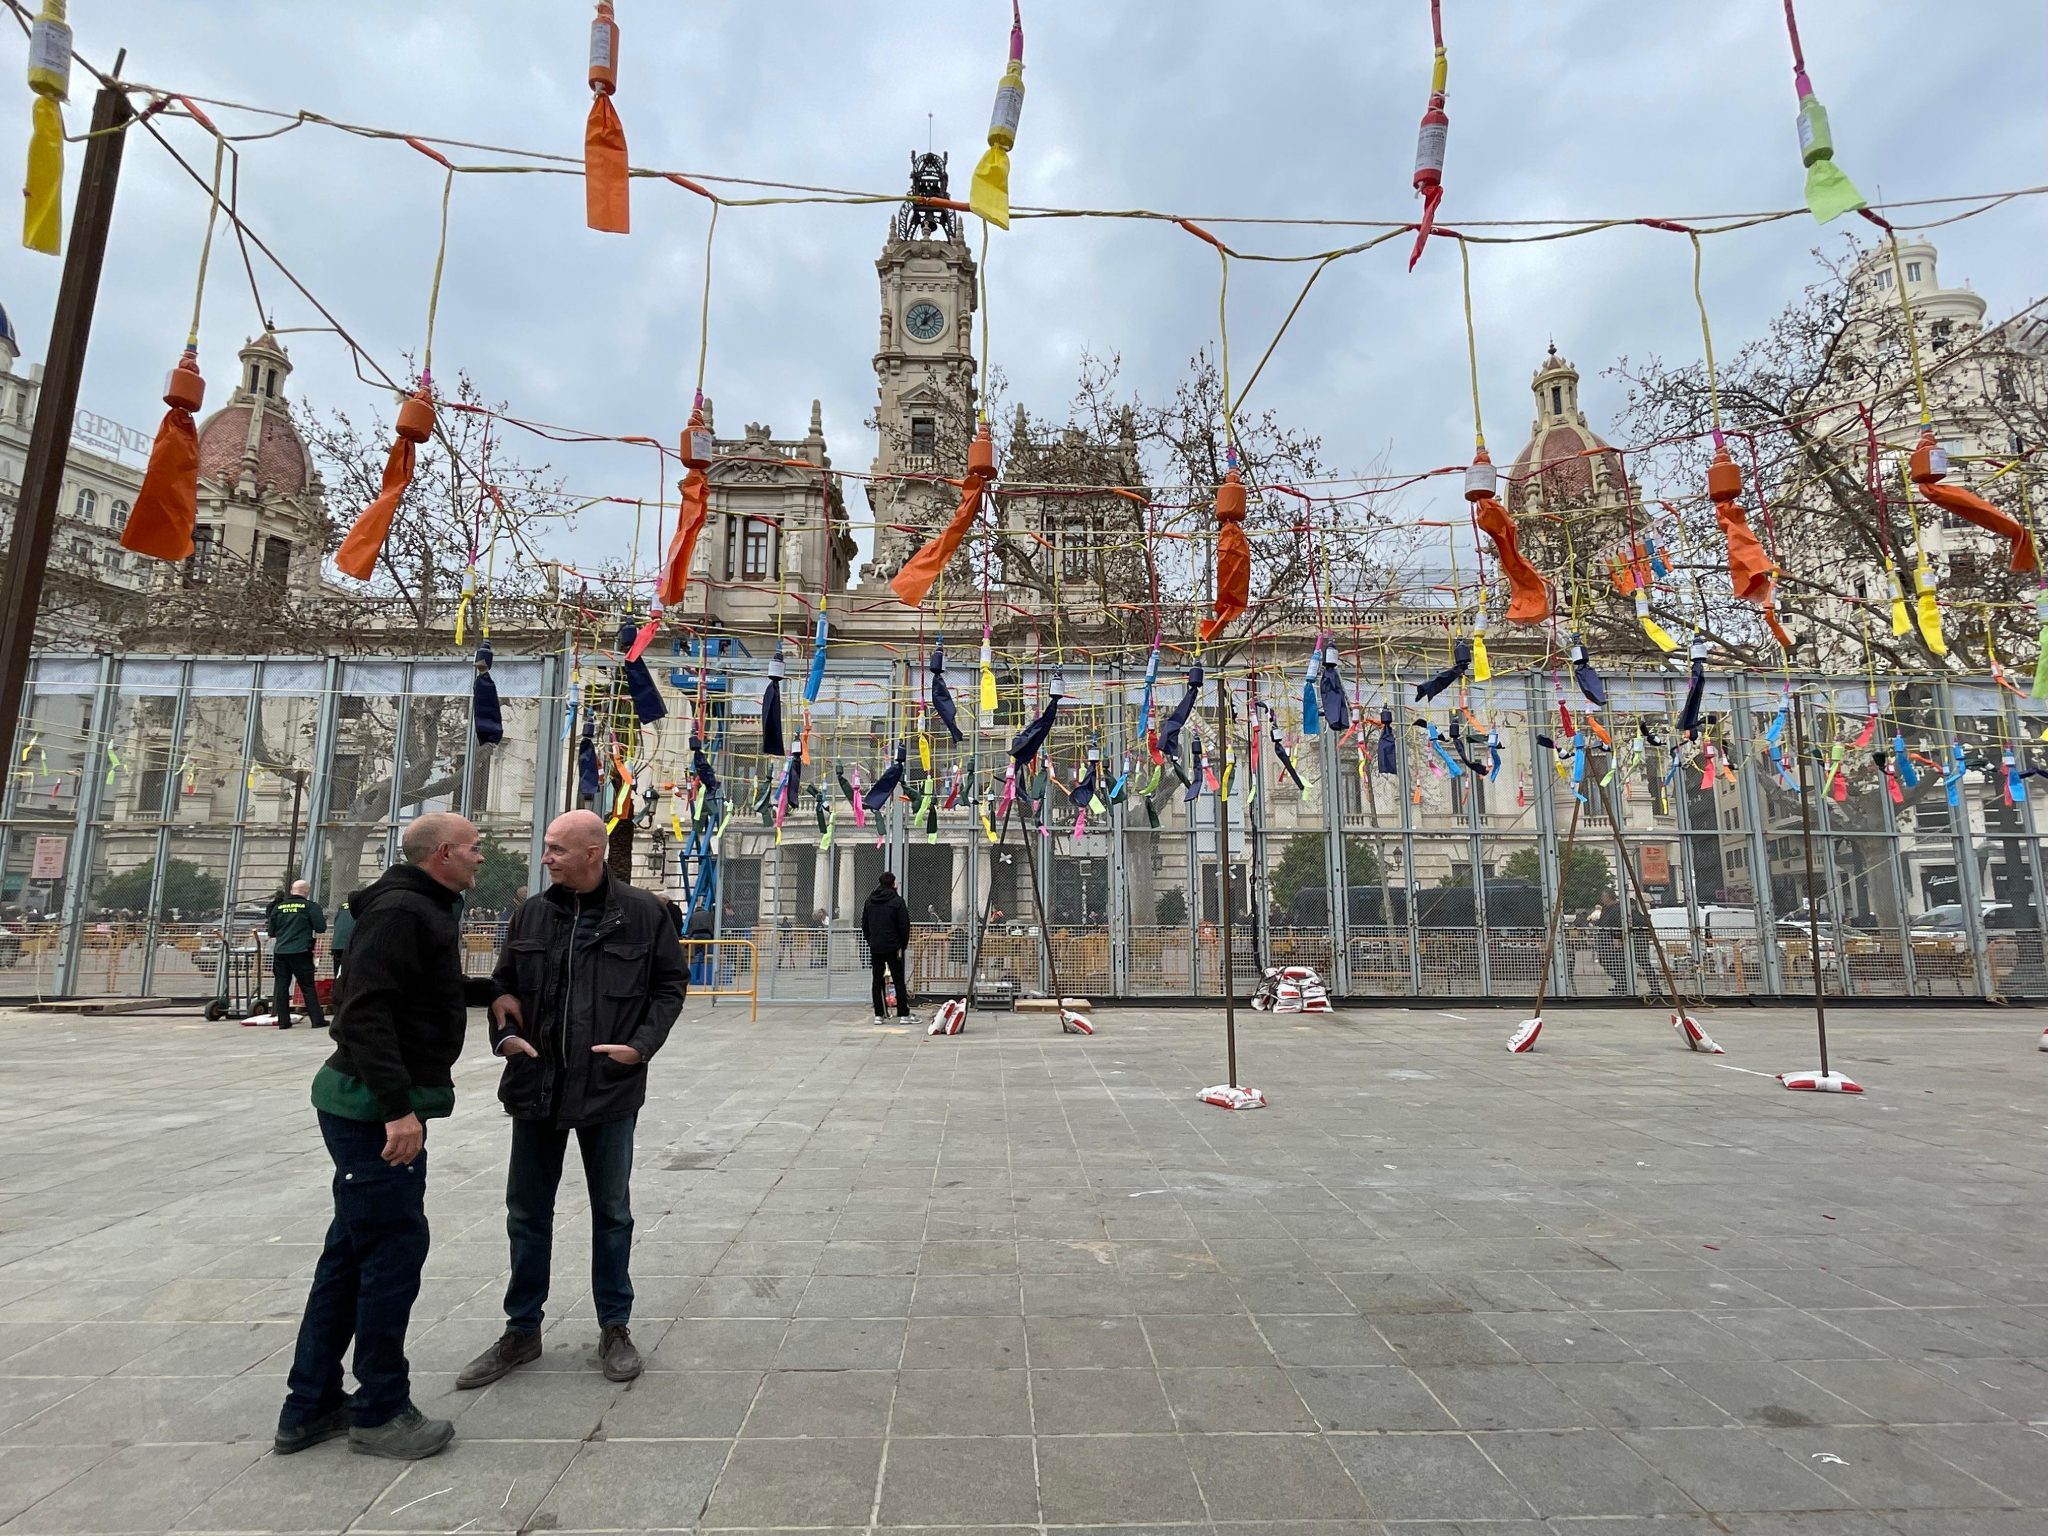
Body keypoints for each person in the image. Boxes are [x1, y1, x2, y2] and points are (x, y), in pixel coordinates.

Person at [275, 812, 511, 1461]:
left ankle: (310, 1404)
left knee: (352, 1252)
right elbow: (365, 1010)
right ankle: (380, 1409)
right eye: (473, 848)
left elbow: (420, 989)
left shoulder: (418, 905)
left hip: (370, 1105)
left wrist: (490, 991)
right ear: (443, 853)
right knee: (390, 1254)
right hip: (371, 1111)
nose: (481, 857)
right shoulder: (404, 910)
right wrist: (396, 1109)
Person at [457, 810, 687, 1392]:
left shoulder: (644, 914)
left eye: (557, 848)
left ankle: (615, 1326)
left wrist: (640, 1047)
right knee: (527, 1212)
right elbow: (505, 986)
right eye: (547, 846)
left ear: (593, 852)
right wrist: (505, 1035)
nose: (546, 857)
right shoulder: (532, 913)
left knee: (612, 1212)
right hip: (536, 1084)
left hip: (608, 1086)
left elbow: (669, 987)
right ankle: (521, 1329)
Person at [266, 880, 328, 1031]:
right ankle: (317, 1020)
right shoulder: (310, 907)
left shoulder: (278, 907)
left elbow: (271, 931)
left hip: (281, 951)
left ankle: (283, 1021)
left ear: (292, 890)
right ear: (307, 891)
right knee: (307, 986)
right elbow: (320, 927)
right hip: (301, 951)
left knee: (282, 986)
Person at [861, 870, 914, 1026]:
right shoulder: (897, 901)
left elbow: (865, 924)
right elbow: (904, 925)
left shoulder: (870, 901)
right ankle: (903, 1014)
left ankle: (879, 1014)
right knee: (898, 979)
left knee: (877, 980)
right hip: (894, 946)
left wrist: (871, 940)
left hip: (876, 946)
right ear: (893, 883)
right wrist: (902, 944)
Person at [330, 891, 358, 982]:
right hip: (352, 945)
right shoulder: (360, 906)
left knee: (338, 973)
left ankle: (338, 988)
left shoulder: (341, 907)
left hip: (337, 944)